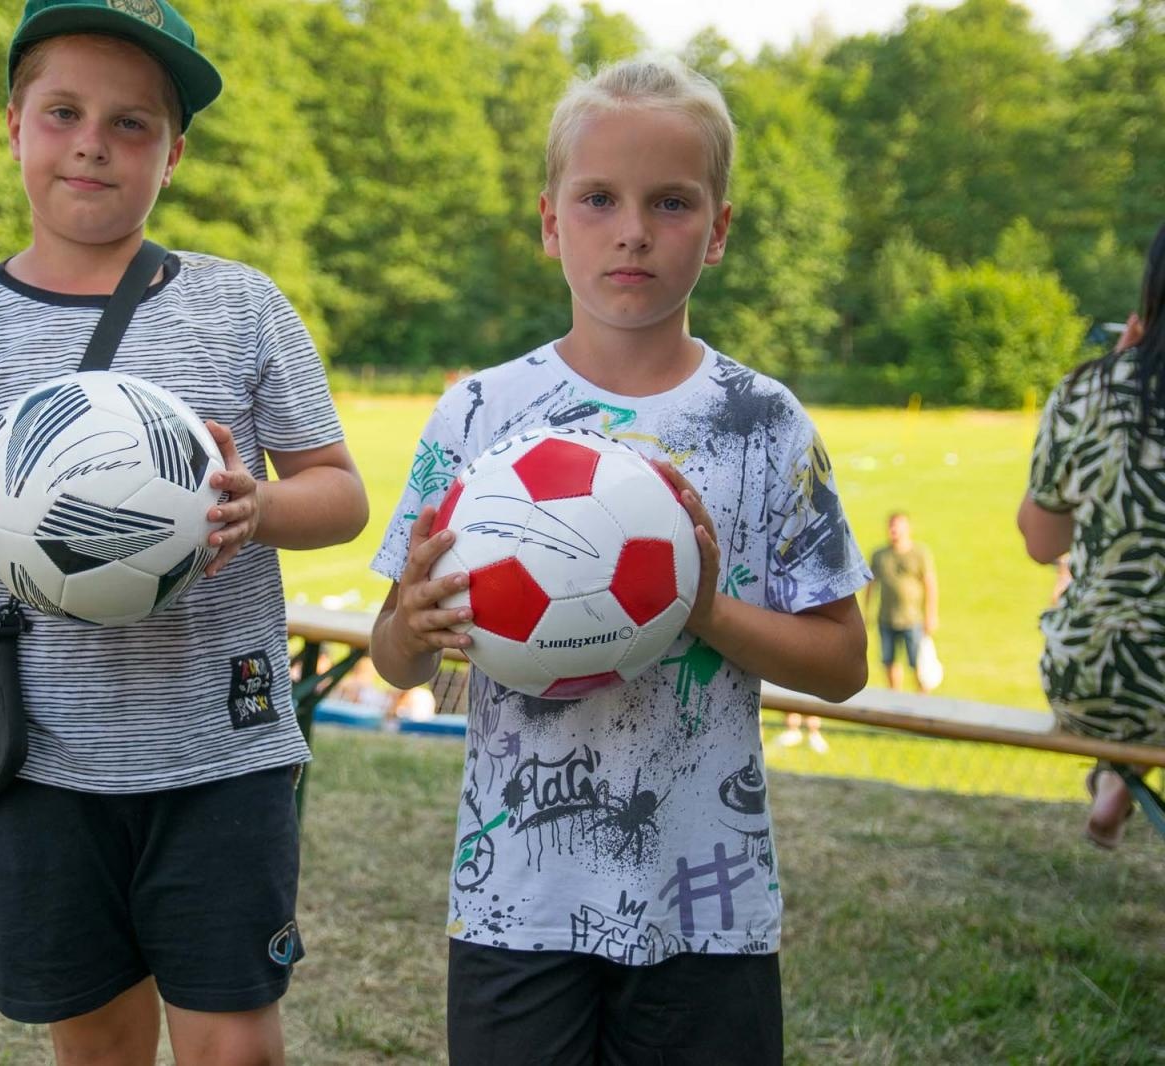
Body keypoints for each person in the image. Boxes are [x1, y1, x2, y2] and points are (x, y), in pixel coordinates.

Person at [0, 2, 369, 1061]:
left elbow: (342, 494)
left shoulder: (243, 306)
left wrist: (257, 505)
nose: (93, 142)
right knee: (99, 1046)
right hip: (43, 763)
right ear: (14, 126)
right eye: (65, 112)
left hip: (224, 747)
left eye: (132, 124)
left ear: (173, 155)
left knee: (237, 1045)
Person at [368, 57, 869, 1066]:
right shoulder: (477, 415)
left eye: (670, 202)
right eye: (598, 198)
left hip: (705, 902)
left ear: (718, 229)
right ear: (551, 221)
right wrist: (411, 630)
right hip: (517, 897)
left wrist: (704, 607)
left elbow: (843, 661)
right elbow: (395, 657)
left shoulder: (762, 423)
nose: (632, 228)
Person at [1018, 220, 1165, 850]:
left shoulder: (1092, 391)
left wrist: (1115, 378)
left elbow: (1041, 542)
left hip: (1092, 681)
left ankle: (1117, 772)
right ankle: (1122, 773)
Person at [863, 511, 939, 693]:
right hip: (886, 618)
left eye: (898, 525)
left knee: (918, 663)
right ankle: (894, 699)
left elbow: (930, 585)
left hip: (912, 619)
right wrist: (866, 612)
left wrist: (931, 615)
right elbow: (871, 585)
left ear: (908, 528)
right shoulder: (879, 555)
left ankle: (922, 702)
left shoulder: (919, 554)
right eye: (891, 526)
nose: (894, 530)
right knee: (889, 661)